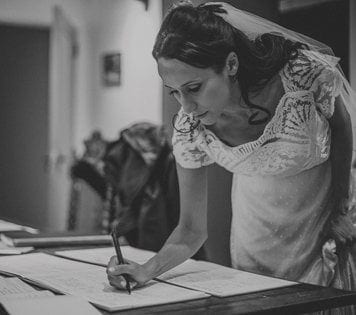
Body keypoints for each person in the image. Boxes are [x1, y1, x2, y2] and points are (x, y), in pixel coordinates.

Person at [106, 2, 356, 292]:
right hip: (255, 241)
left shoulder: (301, 76)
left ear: (231, 64)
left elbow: (342, 129)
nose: (186, 106)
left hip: (325, 228)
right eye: (174, 92)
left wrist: (340, 209)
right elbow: (190, 230)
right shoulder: (190, 130)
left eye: (194, 88)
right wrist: (146, 270)